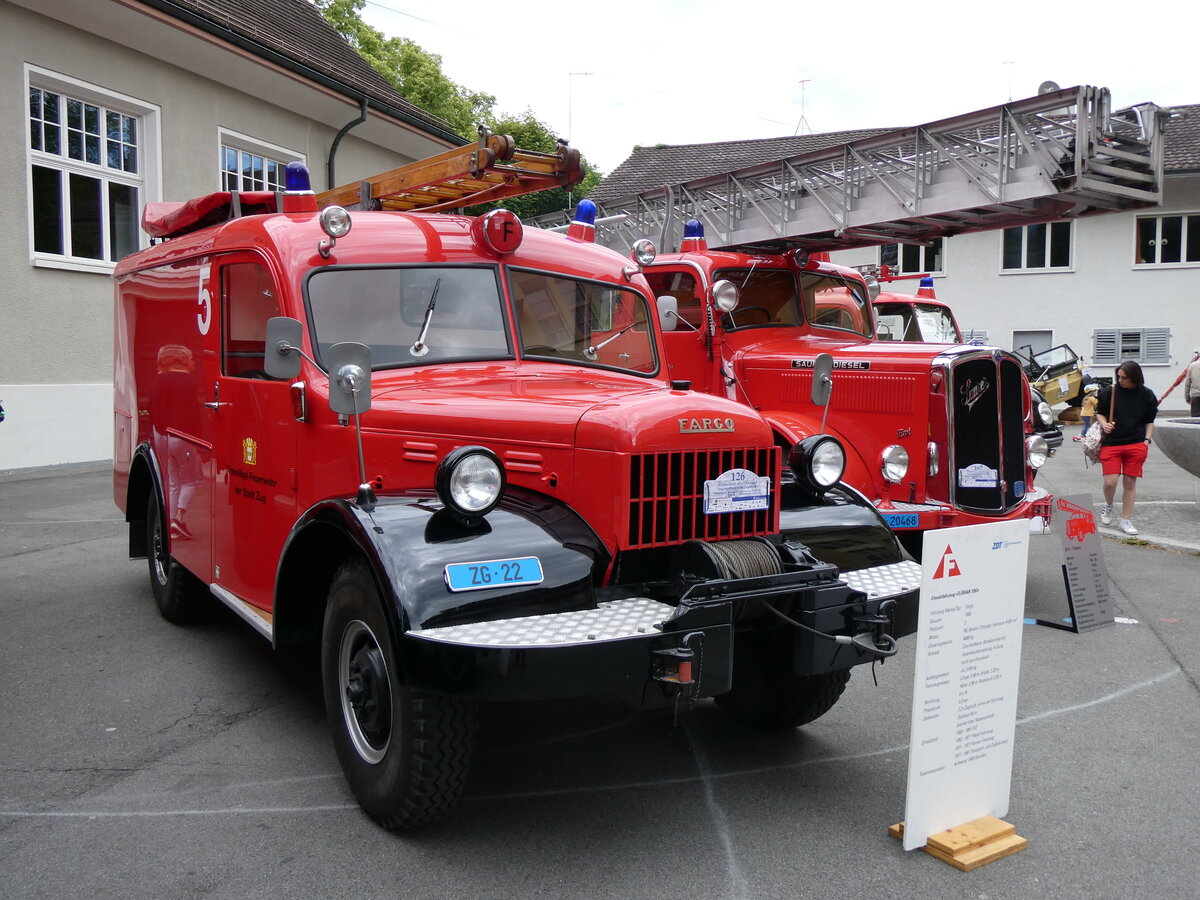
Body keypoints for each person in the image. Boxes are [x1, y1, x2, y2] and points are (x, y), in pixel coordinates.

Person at [1095, 360, 1158, 535]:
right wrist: (1104, 424)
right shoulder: (1111, 391)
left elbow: (1149, 421)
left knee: (1130, 482)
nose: (1120, 380)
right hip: (1112, 442)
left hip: (1136, 443)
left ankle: (1126, 520)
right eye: (1119, 377)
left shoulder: (1147, 395)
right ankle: (1108, 506)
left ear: (1135, 378)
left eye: (1124, 378)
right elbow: (1099, 412)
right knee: (1110, 482)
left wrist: (1146, 441)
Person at [1185, 351, 1200, 417]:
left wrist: (1187, 396)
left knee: (1195, 420)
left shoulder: (1192, 366)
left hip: (1196, 395)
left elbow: (1187, 382)